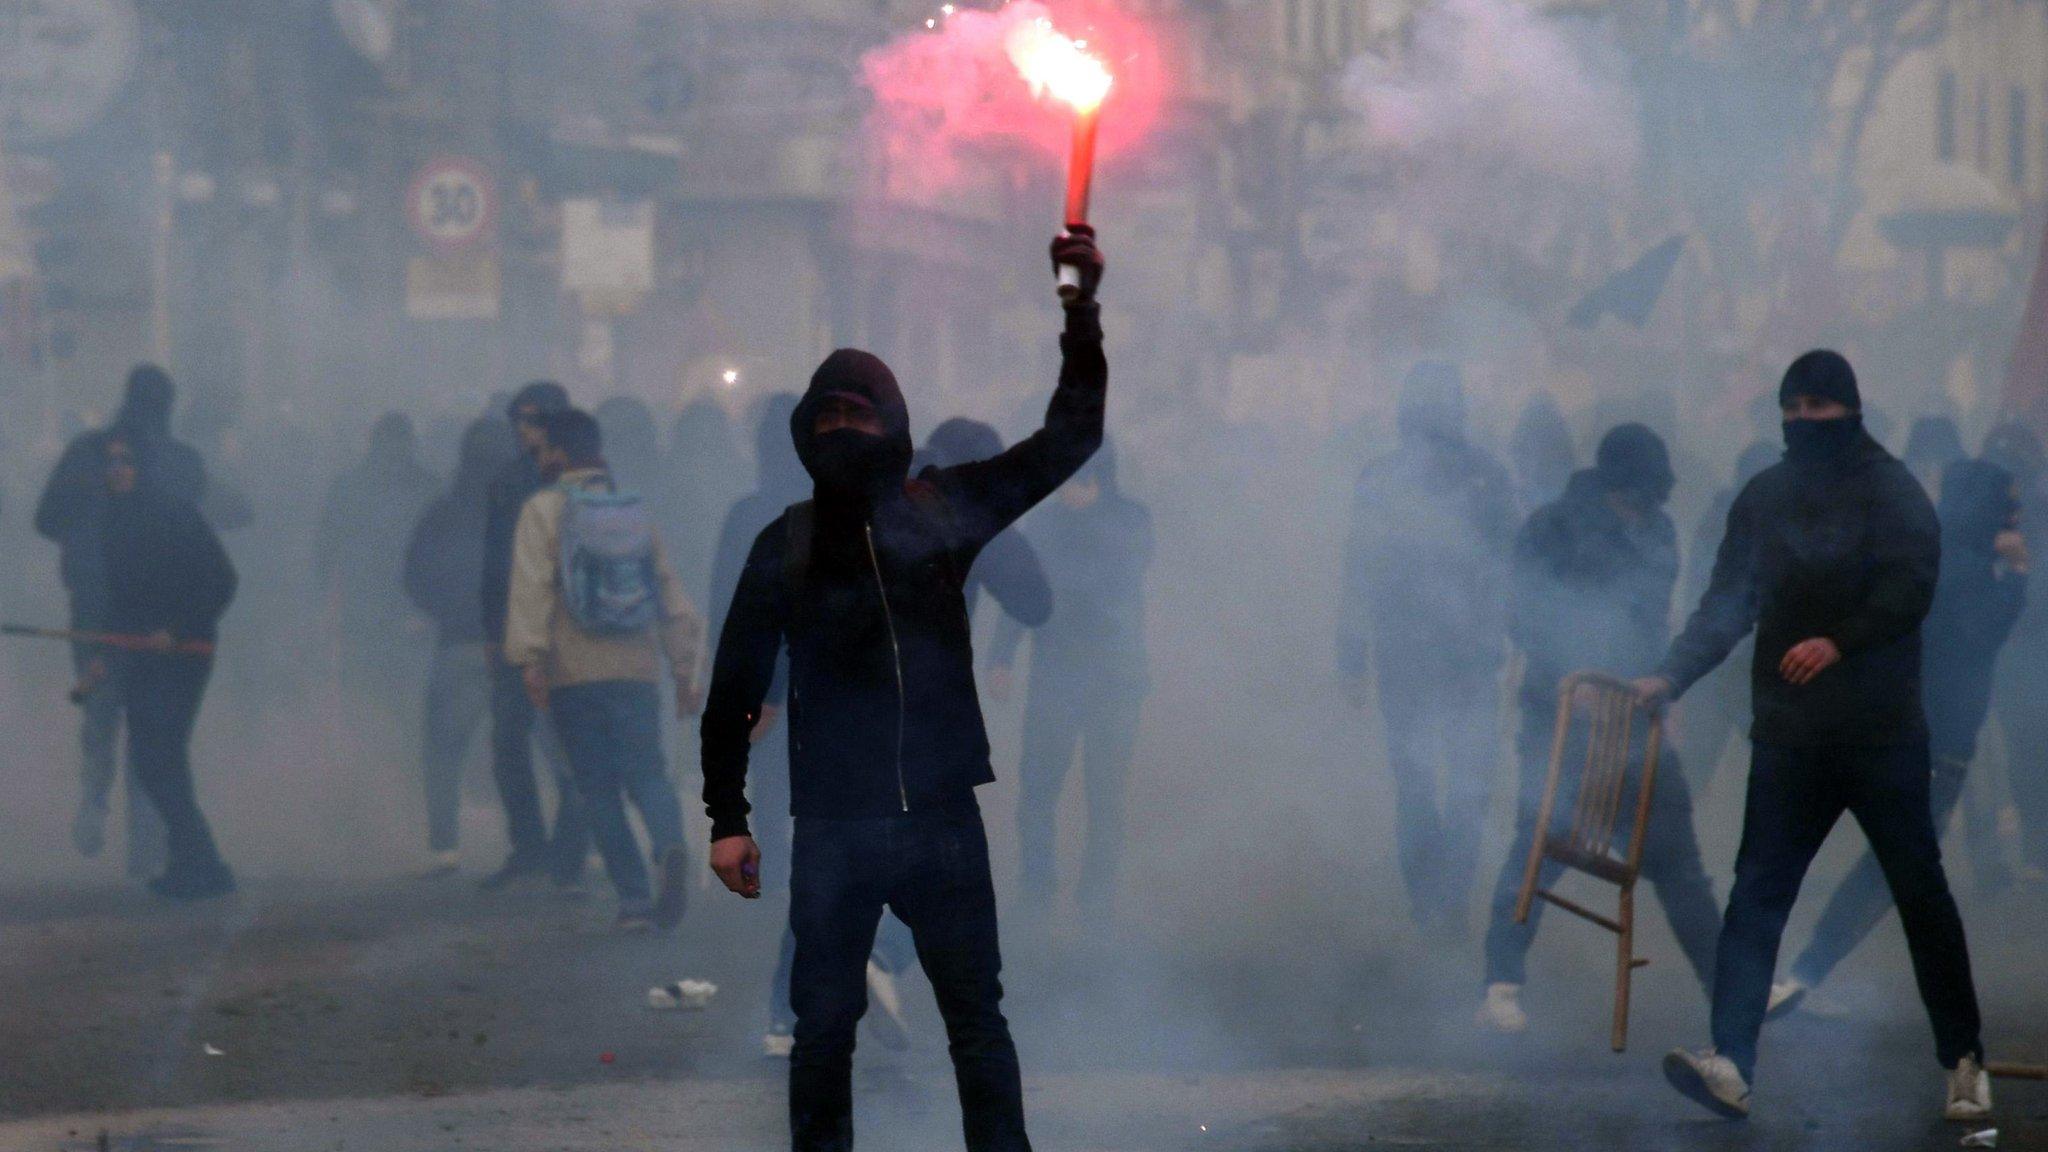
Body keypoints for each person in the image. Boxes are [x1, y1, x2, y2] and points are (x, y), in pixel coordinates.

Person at [700, 228, 1106, 1151]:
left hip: (940, 821)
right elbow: (732, 687)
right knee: (822, 1038)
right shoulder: (787, 543)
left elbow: (1071, 436)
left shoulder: (944, 510)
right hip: (834, 825)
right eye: (828, 419)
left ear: (894, 427)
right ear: (807, 433)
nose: (844, 433)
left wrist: (1080, 309)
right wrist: (727, 817)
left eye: (860, 416)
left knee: (977, 1026)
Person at [1640, 350, 1989, 1123]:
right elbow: (1727, 604)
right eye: (1791, 409)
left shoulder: (1893, 492)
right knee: (1757, 894)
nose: (1803, 422)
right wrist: (1669, 676)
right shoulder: (1764, 498)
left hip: (1882, 736)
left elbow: (1912, 588)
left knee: (1919, 894)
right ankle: (1730, 1060)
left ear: (1850, 410)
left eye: (1818, 409)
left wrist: (1840, 640)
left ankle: (1965, 1063)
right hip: (1791, 736)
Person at [1474, 425, 1720, 1032]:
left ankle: (1731, 987)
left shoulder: (1660, 530)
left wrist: (1667, 685)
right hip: (1560, 715)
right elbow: (1520, 611)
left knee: (1679, 861)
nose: (1637, 510)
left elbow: (1655, 618)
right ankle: (1500, 986)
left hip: (1636, 719)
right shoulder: (1551, 527)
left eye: (1646, 500)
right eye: (1628, 497)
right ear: (1609, 485)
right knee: (1539, 843)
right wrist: (1569, 677)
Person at [1768, 459, 2027, 1013]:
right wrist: (2020, 578)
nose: (2018, 515)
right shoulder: (1968, 570)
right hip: (1934, 742)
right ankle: (1800, 975)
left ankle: (1799, 973)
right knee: (1895, 871)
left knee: (1889, 867)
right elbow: (1979, 637)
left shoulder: (1933, 555)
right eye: (2009, 503)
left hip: (1903, 730)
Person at [506, 408, 705, 931]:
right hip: (637, 668)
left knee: (596, 786)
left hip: (574, 672)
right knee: (647, 770)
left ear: (560, 455)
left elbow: (532, 589)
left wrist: (530, 661)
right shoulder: (632, 511)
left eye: (543, 450)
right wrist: (683, 669)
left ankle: (635, 901)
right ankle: (669, 845)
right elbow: (668, 592)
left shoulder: (543, 511)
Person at [1337, 361, 1517, 936]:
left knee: (1419, 783)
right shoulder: (1485, 475)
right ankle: (1450, 906)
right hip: (1460, 656)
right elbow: (1512, 566)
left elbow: (1357, 572)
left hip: (1414, 655)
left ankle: (1428, 905)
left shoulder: (1385, 475)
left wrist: (1351, 656)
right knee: (1464, 786)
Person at [35, 365, 205, 878]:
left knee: (102, 706)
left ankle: (94, 797)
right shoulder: (178, 460)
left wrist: (81, 544)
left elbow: (46, 518)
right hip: (156, 611)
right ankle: (146, 847)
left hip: (94, 607)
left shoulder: (86, 451)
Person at [990, 439, 1151, 920]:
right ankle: (1038, 890)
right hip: (1053, 679)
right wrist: (1001, 656)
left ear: (1094, 476)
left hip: (1115, 679)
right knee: (1037, 791)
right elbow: (1021, 590)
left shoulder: (1131, 521)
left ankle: (1095, 898)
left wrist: (1058, 595)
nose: (1057, 488)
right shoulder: (1044, 522)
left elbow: (1112, 586)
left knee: (1105, 795)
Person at [101, 433, 239, 900]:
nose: (117, 469)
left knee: (160, 756)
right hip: (143, 654)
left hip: (184, 654)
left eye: (127, 461)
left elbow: (221, 580)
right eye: (112, 462)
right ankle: (192, 862)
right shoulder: (118, 518)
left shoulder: (174, 515)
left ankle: (203, 863)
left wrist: (176, 630)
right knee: (153, 758)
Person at [478, 383, 590, 891]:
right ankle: (531, 847)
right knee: (508, 741)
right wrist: (492, 629)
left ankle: (567, 851)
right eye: (517, 420)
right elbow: (495, 563)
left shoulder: (581, 477)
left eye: (532, 419)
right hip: (517, 626)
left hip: (567, 626)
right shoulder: (507, 480)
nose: (523, 430)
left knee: (569, 743)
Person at [313, 413, 443, 832]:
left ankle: (398, 803)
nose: (395, 453)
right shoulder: (417, 487)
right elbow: (325, 552)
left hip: (402, 616)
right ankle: (374, 803)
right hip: (378, 616)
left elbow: (323, 554)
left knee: (401, 712)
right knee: (373, 710)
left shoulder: (421, 488)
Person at [404, 418, 519, 876]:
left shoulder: (443, 512)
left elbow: (414, 574)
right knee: (535, 748)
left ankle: (445, 846)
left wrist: (446, 613)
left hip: (460, 643)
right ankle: (549, 845)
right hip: (518, 644)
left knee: (443, 750)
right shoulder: (526, 509)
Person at [1674, 441, 1779, 793]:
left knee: (1699, 761)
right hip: (1736, 657)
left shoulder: (1722, 511)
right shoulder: (1753, 517)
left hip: (1718, 654)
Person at [1984, 422, 2048, 884]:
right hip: (2017, 655)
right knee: (2027, 751)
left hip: (2019, 652)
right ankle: (2037, 848)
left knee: (2027, 752)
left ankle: (2036, 848)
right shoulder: (1986, 517)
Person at [1507, 391, 1577, 512]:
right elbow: (1516, 452)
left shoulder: (1556, 429)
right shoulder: (1556, 427)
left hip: (1549, 483)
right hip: (1542, 483)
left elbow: (1568, 457)